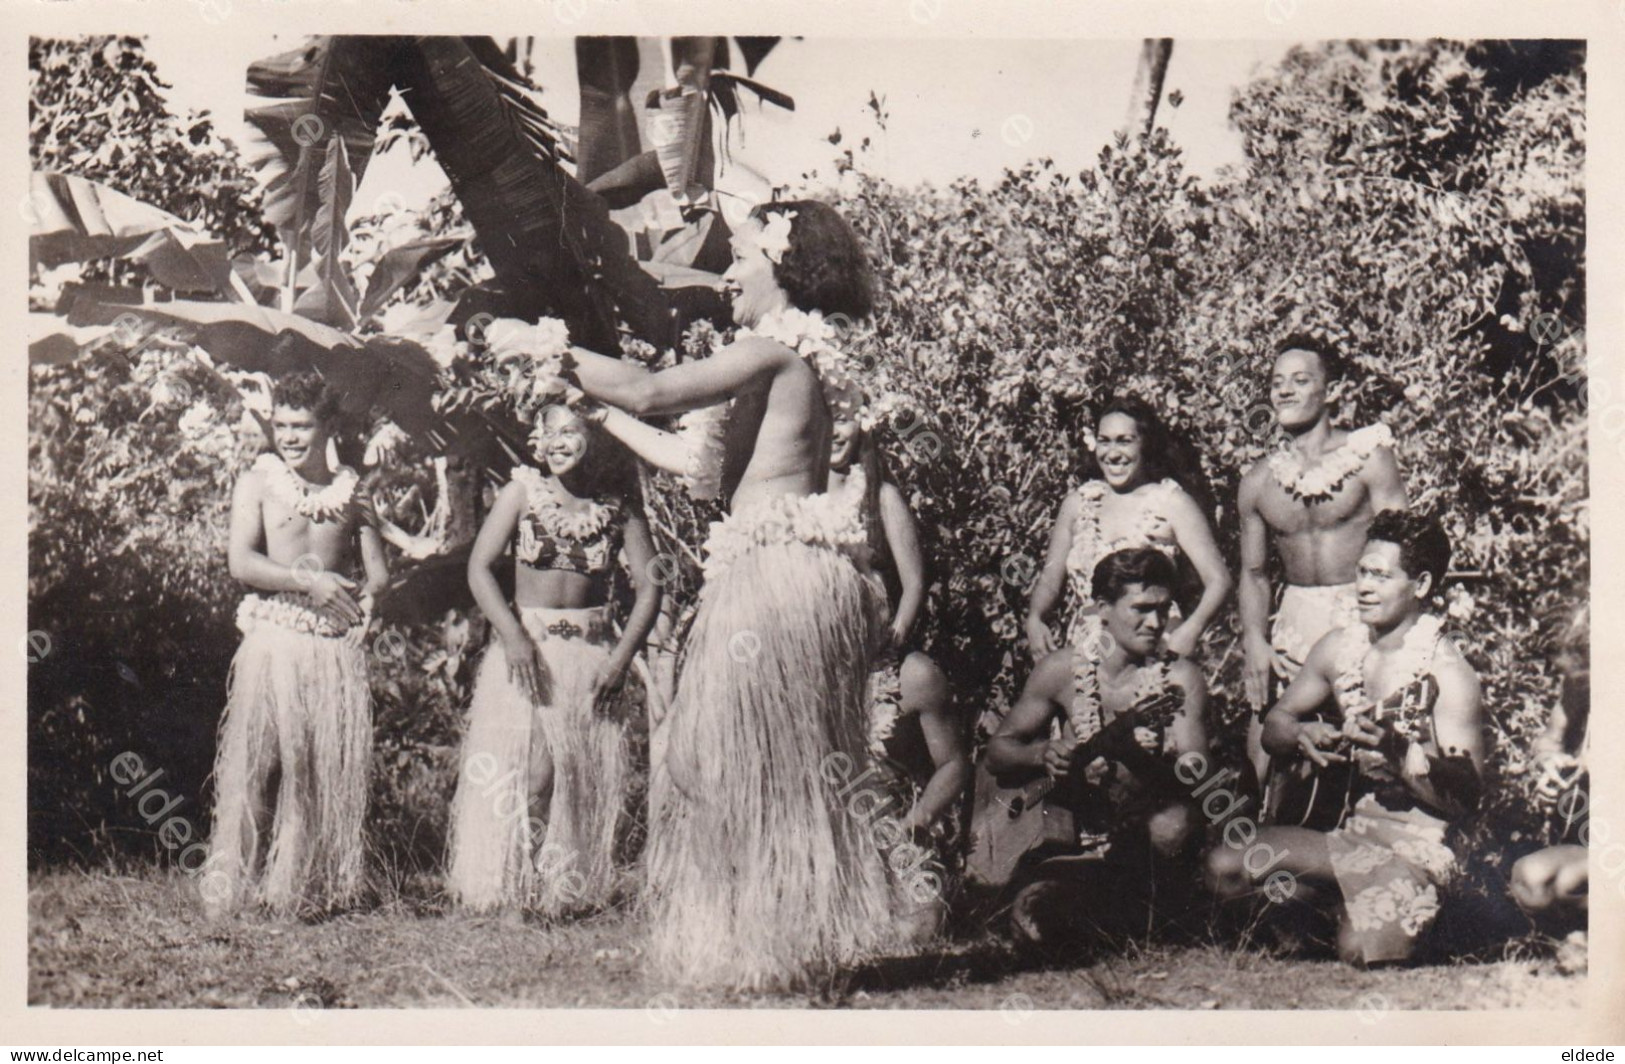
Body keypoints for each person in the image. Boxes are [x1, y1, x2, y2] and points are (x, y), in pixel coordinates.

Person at [495, 200, 893, 989]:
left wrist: (544, 345)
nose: (726, 275)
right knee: (752, 763)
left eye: (739, 257)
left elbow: (649, 391)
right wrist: (592, 415)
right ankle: (779, 945)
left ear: (780, 267)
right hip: (794, 573)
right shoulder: (798, 357)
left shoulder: (773, 348)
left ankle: (777, 945)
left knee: (730, 761)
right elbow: (696, 465)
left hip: (774, 582)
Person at [1207, 509, 1484, 967]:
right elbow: (1275, 725)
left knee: (1358, 951)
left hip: (1418, 849)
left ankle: (1406, 919)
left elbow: (1466, 799)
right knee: (1225, 868)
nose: (1364, 586)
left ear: (1422, 585)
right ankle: (1336, 908)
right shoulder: (1340, 647)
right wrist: (1301, 733)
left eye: (1381, 575)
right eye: (1361, 571)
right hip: (1349, 836)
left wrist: (1402, 758)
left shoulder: (1449, 673)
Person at [446, 404, 661, 916]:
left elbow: (652, 586)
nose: (558, 442)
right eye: (549, 432)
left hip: (590, 659)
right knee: (534, 776)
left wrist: (622, 658)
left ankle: (557, 894)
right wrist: (513, 636)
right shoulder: (522, 493)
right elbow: (479, 569)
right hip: (531, 656)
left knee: (575, 778)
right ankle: (515, 893)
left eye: (572, 431)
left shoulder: (619, 507)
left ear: (599, 437)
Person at [205, 371, 389, 917]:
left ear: (327, 425)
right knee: (256, 763)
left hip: (331, 643)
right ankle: (230, 889)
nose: (288, 436)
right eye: (281, 425)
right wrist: (309, 581)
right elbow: (242, 561)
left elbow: (378, 572)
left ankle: (299, 889)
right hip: (274, 636)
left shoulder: (353, 492)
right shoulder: (259, 481)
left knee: (314, 767)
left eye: (301, 425)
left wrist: (373, 603)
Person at [988, 548, 1209, 952]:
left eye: (1164, 609)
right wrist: (1044, 754)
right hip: (1075, 839)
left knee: (1171, 826)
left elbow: (1197, 776)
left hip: (1150, 844)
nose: (1156, 623)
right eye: (1141, 609)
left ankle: (1136, 914)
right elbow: (998, 752)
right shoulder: (1061, 669)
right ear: (1103, 609)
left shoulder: (1179, 677)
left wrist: (1141, 761)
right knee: (1030, 920)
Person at [827, 388, 971, 942]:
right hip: (823, 648)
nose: (835, 433)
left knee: (915, 926)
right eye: (827, 422)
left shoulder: (879, 495)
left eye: (845, 421)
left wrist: (892, 640)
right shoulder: (802, 494)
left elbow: (913, 581)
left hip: (878, 648)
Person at [1237, 336, 1408, 798]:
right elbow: (1253, 574)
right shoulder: (1257, 482)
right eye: (1276, 383)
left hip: (1362, 614)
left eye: (1300, 380)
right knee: (1269, 745)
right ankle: (1257, 853)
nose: (1284, 392)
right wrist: (1254, 639)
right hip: (1293, 621)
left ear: (1331, 391)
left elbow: (1403, 546)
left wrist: (1393, 629)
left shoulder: (1369, 457)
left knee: (1374, 750)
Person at [1026, 396, 1230, 659]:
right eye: (1104, 440)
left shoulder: (1171, 502)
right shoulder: (1078, 504)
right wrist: (1035, 617)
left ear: (1145, 444)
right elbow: (1049, 580)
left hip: (1155, 642)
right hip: (1089, 646)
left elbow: (1219, 580)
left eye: (1124, 441)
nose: (1112, 453)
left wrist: (1191, 629)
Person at [1509, 603, 1589, 931]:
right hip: (1594, 840)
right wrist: (1549, 764)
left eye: (1582, 676)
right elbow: (1548, 741)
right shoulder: (1579, 686)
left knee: (1570, 880)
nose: (1579, 687)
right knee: (1531, 878)